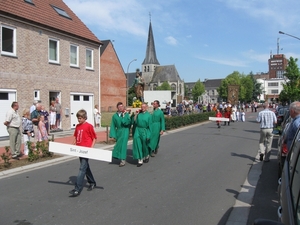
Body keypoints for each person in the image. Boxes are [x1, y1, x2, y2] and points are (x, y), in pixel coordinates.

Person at [69, 109, 97, 197]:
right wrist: (72, 145)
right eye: (78, 118)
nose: (79, 120)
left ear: (85, 118)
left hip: (86, 150)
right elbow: (75, 136)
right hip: (79, 149)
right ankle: (92, 182)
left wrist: (91, 148)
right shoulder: (77, 126)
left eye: (80, 118)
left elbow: (94, 138)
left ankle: (77, 189)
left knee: (82, 168)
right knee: (85, 167)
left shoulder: (89, 126)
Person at [109, 102, 132, 167]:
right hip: (118, 131)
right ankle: (116, 155)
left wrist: (124, 115)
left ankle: (122, 160)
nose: (121, 108)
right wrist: (113, 135)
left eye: (122, 107)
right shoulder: (115, 116)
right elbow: (113, 125)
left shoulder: (126, 114)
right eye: (119, 107)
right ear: (117, 108)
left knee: (123, 145)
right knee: (118, 145)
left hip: (125, 130)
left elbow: (126, 123)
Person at [132, 103, 152, 167]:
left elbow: (150, 126)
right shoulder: (139, 114)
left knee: (144, 145)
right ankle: (140, 159)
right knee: (137, 144)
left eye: (144, 107)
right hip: (138, 130)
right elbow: (134, 122)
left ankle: (146, 155)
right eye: (142, 106)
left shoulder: (149, 115)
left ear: (146, 107)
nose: (143, 108)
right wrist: (135, 114)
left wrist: (148, 135)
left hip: (144, 131)